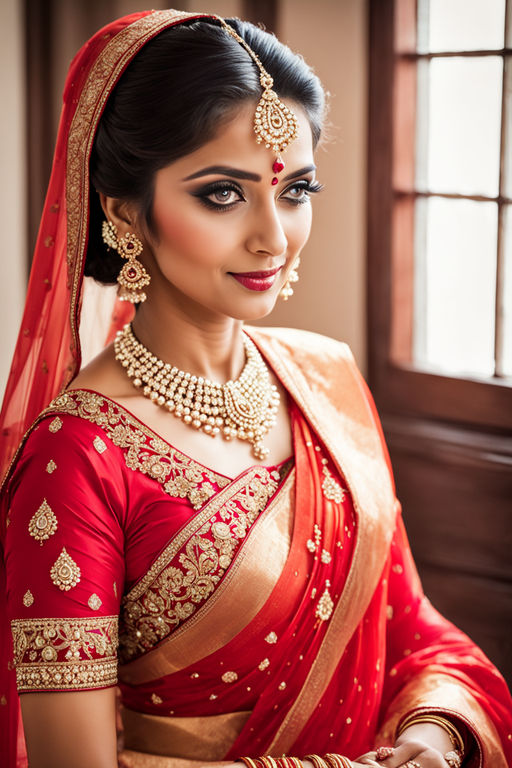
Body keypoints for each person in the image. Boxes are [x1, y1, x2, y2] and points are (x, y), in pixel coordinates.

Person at [0, 9, 511, 768]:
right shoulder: (73, 459)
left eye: (296, 188)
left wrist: (433, 737)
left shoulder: (325, 379)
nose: (273, 235)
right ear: (124, 211)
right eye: (222, 194)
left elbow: (411, 630)